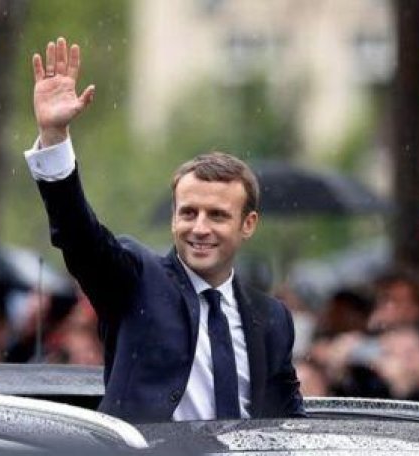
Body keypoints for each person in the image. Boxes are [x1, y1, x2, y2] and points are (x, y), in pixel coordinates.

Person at [24, 37, 302, 422]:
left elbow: (289, 426)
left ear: (247, 224)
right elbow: (79, 237)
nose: (199, 228)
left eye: (217, 215)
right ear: (174, 218)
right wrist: (54, 139)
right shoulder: (137, 278)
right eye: (188, 213)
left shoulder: (271, 319)